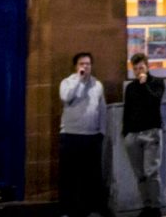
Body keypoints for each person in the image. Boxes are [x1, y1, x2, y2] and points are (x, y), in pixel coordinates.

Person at [59, 51, 109, 217]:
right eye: (82, 64)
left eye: (88, 64)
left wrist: (102, 131)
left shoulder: (97, 85)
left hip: (91, 136)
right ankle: (69, 209)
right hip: (71, 135)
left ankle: (90, 209)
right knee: (71, 175)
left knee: (91, 175)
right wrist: (79, 82)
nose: (85, 67)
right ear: (76, 66)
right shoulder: (68, 82)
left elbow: (102, 109)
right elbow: (67, 97)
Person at [122, 53, 165, 217]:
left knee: (151, 172)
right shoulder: (130, 88)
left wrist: (145, 84)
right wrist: (125, 133)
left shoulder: (157, 83)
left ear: (147, 67)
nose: (138, 71)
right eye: (135, 68)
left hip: (150, 132)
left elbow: (155, 101)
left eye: (141, 67)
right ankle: (146, 206)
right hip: (132, 134)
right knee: (139, 174)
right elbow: (127, 111)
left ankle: (156, 207)